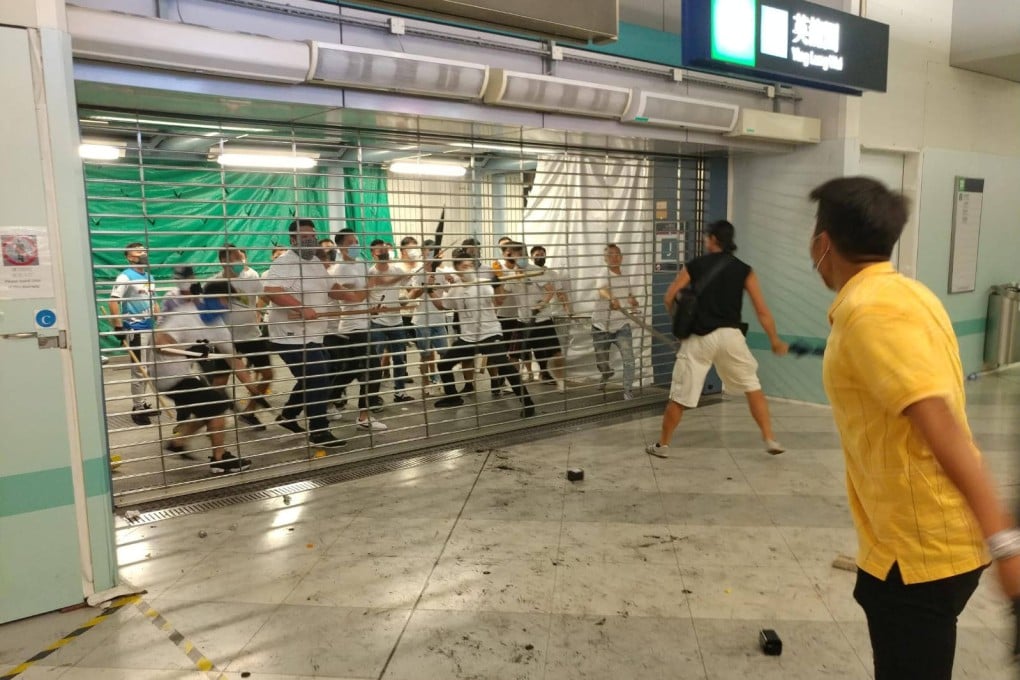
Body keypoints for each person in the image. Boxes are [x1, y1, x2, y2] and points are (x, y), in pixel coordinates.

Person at [806, 176, 1020, 680]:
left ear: (823, 243)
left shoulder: (871, 310)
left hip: (920, 555)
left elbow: (938, 423)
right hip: (912, 544)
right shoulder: (907, 293)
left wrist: (1007, 549)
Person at [646, 221, 788, 458]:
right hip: (731, 337)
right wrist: (774, 339)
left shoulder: (696, 265)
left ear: (713, 239)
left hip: (699, 338)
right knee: (752, 387)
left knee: (681, 395)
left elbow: (669, 295)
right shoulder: (744, 269)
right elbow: (762, 310)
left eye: (706, 237)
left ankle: (663, 445)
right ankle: (770, 439)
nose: (704, 240)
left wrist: (680, 321)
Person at [151, 279, 252, 474]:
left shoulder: (217, 323)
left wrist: (252, 387)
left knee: (213, 403)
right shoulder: (185, 315)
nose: (227, 305)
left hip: (184, 375)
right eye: (225, 299)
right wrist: (191, 352)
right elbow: (160, 343)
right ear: (211, 298)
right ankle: (219, 460)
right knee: (217, 403)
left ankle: (178, 441)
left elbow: (233, 359)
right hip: (166, 376)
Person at [262, 219, 347, 448]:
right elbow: (271, 291)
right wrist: (300, 308)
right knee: (317, 375)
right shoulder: (284, 262)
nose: (310, 240)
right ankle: (319, 431)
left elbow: (331, 288)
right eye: (304, 236)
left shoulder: (315, 263)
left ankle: (289, 414)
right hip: (289, 335)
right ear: (293, 239)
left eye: (312, 235)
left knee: (322, 369)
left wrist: (357, 293)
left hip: (311, 334)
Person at [427, 249, 535, 417]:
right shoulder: (456, 288)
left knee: (505, 367)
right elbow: (442, 306)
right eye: (465, 266)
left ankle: (527, 402)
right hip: (468, 338)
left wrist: (497, 284)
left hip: (489, 334)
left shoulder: (482, 284)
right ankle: (453, 397)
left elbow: (499, 300)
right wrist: (429, 290)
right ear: (457, 269)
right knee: (444, 364)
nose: (469, 268)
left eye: (471, 265)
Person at [331, 228, 387, 431]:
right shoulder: (340, 269)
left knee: (350, 370)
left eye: (356, 241)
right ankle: (364, 417)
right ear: (340, 246)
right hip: (353, 327)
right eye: (350, 242)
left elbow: (364, 295)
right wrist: (370, 286)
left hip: (364, 322)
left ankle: (326, 401)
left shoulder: (360, 263)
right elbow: (353, 297)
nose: (355, 245)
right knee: (373, 370)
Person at [215, 244, 273, 431]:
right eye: (236, 258)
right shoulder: (214, 282)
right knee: (219, 383)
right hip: (227, 339)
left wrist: (259, 311)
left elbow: (263, 297)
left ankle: (249, 411)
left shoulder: (251, 276)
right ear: (224, 261)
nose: (241, 262)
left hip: (252, 335)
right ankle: (211, 418)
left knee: (267, 374)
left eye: (241, 258)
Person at [108, 241, 159, 425]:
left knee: (149, 368)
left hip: (150, 328)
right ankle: (137, 409)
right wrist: (118, 327)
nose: (143, 253)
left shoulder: (150, 277)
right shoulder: (125, 277)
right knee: (139, 370)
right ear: (130, 257)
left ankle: (142, 402)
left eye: (144, 250)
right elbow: (113, 301)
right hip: (135, 330)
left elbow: (154, 302)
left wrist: (159, 322)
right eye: (138, 251)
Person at [368, 240, 415, 404]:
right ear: (373, 253)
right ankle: (372, 396)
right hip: (377, 323)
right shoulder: (370, 273)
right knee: (375, 360)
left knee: (400, 359)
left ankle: (400, 392)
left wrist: (407, 297)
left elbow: (409, 288)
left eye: (385, 249)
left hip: (397, 321)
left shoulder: (397, 269)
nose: (383, 252)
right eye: (379, 250)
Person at [591, 244, 640, 400]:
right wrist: (612, 298)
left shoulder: (624, 275)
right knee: (602, 361)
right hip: (601, 326)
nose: (614, 257)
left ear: (621, 257)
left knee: (629, 358)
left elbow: (629, 293)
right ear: (605, 258)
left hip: (621, 325)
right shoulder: (603, 274)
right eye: (610, 254)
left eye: (617, 254)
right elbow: (602, 290)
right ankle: (606, 374)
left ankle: (627, 390)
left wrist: (632, 300)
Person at [399, 236, 448, 393]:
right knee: (426, 355)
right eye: (427, 252)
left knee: (444, 353)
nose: (430, 255)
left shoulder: (442, 272)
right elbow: (412, 295)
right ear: (423, 254)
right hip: (421, 320)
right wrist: (426, 285)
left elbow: (449, 291)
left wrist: (452, 280)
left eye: (433, 252)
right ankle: (426, 385)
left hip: (439, 319)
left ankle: (444, 382)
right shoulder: (417, 272)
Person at [523, 245, 571, 389]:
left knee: (553, 348)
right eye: (537, 254)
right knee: (531, 349)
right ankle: (535, 373)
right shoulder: (527, 272)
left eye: (543, 253)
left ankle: (550, 376)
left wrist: (567, 308)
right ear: (531, 257)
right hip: (527, 318)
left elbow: (560, 292)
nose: (540, 256)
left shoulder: (552, 274)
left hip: (547, 316)